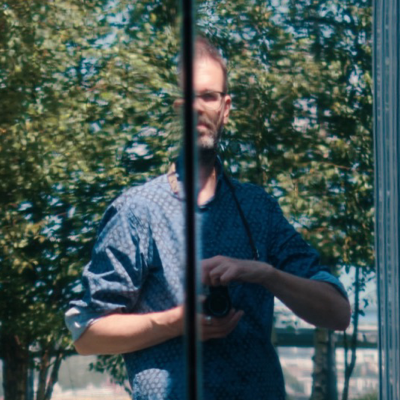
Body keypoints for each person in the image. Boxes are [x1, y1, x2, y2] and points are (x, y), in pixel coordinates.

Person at [65, 37, 351, 400]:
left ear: (225, 108)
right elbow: (87, 333)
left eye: (210, 96)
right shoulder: (138, 211)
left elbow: (338, 313)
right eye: (189, 98)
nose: (199, 108)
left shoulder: (258, 209)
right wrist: (177, 322)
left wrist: (264, 273)